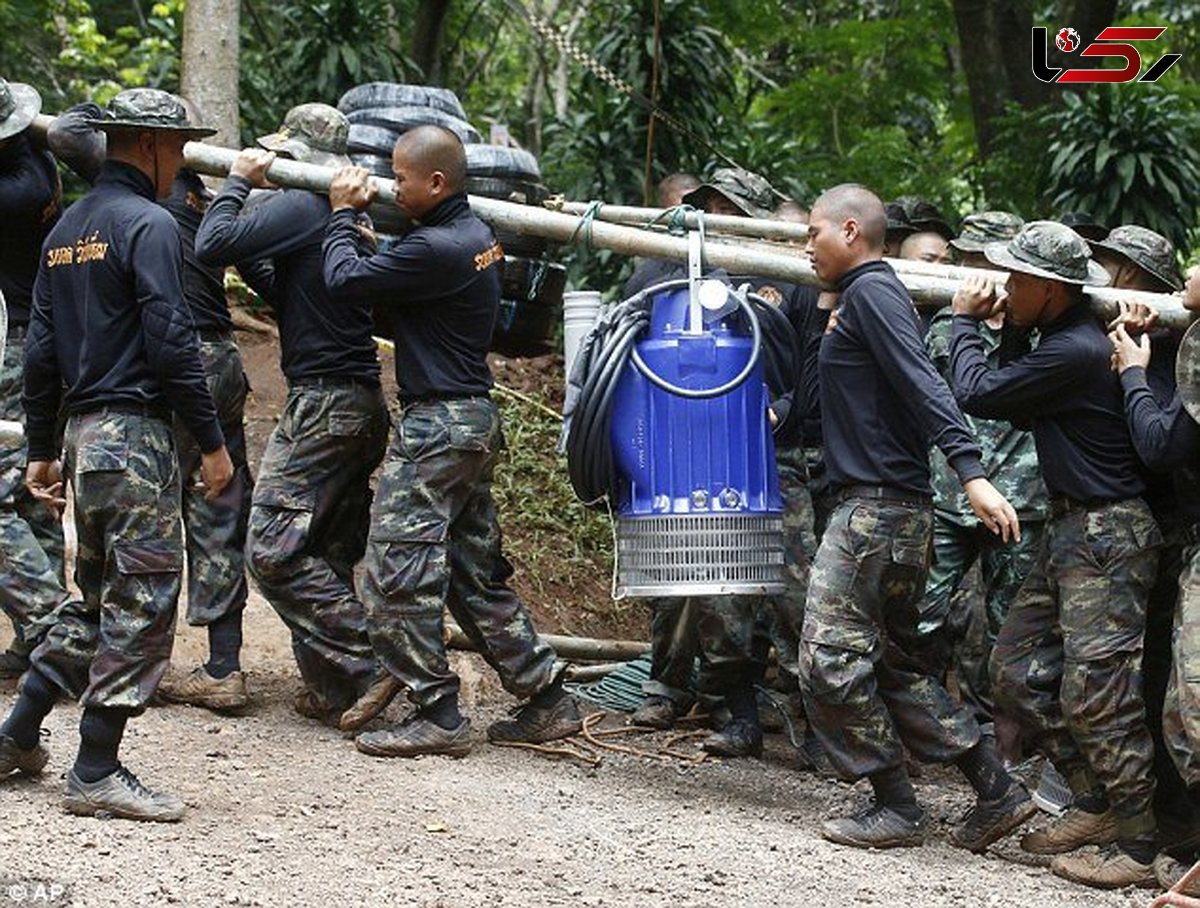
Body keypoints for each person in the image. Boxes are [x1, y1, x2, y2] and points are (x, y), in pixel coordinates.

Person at [0, 88, 234, 821]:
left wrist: (42, 447)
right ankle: (96, 766)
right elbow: (172, 341)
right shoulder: (151, 224)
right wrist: (214, 444)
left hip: (82, 440)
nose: (184, 162)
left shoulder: (65, 227)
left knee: (95, 600)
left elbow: (39, 350)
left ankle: (15, 734)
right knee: (143, 601)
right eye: (181, 148)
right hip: (136, 442)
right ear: (154, 146)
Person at [320, 124, 582, 757]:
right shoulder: (473, 237)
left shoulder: (437, 245)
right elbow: (400, 289)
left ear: (436, 182)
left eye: (401, 179)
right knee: (472, 571)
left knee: (395, 567)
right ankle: (547, 697)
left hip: (438, 425)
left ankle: (436, 710)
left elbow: (344, 283)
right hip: (470, 421)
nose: (391, 187)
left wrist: (339, 217)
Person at [798, 183, 1031, 853]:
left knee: (828, 659)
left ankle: (895, 802)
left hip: (876, 512)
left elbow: (924, 383)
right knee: (893, 666)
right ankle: (996, 788)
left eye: (812, 233)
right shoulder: (861, 298)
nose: (803, 246)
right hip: (890, 510)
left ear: (849, 231)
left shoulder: (874, 292)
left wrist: (973, 473)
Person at [950, 220, 1162, 888]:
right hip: (1072, 529)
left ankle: (1137, 839)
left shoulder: (1073, 351)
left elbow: (979, 393)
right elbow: (1013, 400)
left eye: (1017, 279)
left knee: (1098, 690)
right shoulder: (1058, 343)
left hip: (1109, 535)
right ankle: (1093, 798)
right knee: (1013, 669)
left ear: (1049, 287)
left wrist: (964, 324)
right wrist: (1010, 324)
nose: (1007, 287)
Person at [48, 97, 261, 712]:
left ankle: (102, 656)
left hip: (167, 359)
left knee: (142, 514)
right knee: (218, 503)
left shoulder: (130, 200)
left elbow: (65, 131)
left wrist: (106, 112)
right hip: (220, 354)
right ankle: (224, 665)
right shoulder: (197, 188)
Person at [194, 103, 389, 729]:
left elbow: (210, 245)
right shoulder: (334, 214)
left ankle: (375, 658)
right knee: (326, 548)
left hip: (325, 404)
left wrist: (237, 185)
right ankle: (336, 688)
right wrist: (254, 228)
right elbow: (286, 289)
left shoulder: (307, 203)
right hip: (358, 400)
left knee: (273, 550)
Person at [919, 211, 1046, 767]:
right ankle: (921, 732)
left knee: (1006, 634)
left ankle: (1001, 751)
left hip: (1022, 499)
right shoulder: (946, 323)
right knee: (921, 614)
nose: (967, 270)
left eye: (980, 259)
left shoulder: (1046, 330)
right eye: (963, 258)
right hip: (949, 492)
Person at [1093, 226, 1196, 864]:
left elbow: (1162, 446)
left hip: (1177, 532)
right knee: (1169, 690)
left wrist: (1133, 372)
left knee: (1187, 707)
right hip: (1173, 538)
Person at [0, 77, 66, 680]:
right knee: (27, 491)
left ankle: (51, 627)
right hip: (36, 336)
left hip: (11, 345)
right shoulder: (38, 159)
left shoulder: (18, 188)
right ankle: (41, 645)